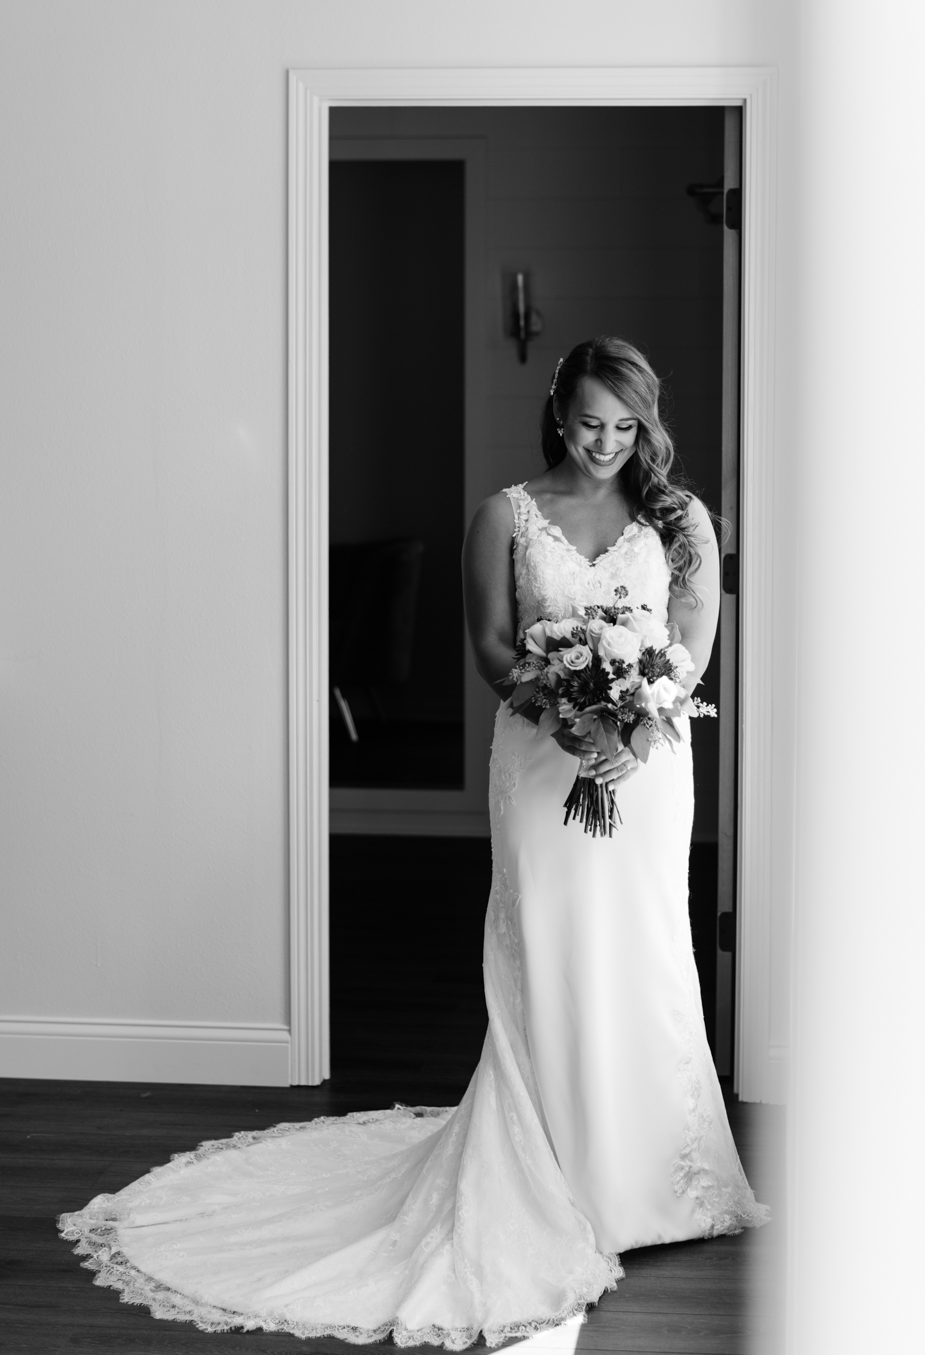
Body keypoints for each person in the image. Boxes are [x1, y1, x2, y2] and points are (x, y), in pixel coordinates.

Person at [57, 336, 767, 1349]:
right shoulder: (505, 514)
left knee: (644, 950)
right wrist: (562, 714)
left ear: (643, 425)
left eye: (624, 427)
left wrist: (630, 734)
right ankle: (550, 1167)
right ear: (555, 411)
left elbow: (689, 652)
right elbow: (487, 642)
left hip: (644, 772)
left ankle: (657, 1176)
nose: (605, 445)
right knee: (551, 951)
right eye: (586, 423)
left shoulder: (679, 518)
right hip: (537, 756)